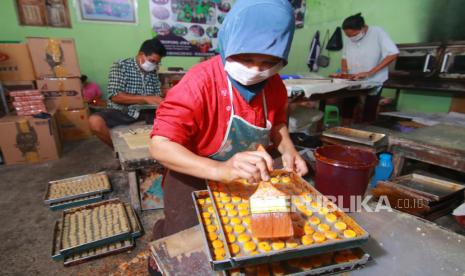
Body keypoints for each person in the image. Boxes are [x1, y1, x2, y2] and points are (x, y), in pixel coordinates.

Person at [147, 0, 308, 272]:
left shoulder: (275, 85)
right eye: (246, 58)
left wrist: (288, 149)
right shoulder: (199, 83)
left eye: (268, 62)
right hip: (192, 170)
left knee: (248, 230)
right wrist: (221, 169)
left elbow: (277, 123)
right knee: (186, 245)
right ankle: (161, 240)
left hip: (246, 169)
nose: (256, 70)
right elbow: (161, 146)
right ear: (229, 43)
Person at [89, 38, 166, 148]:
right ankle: (118, 152)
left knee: (174, 119)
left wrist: (163, 97)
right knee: (95, 122)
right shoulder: (121, 66)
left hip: (146, 112)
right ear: (141, 55)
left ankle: (161, 152)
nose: (154, 65)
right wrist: (145, 98)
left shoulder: (152, 71)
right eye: (152, 61)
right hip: (122, 112)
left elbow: (156, 95)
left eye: (157, 62)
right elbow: (115, 96)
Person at [332, 13, 399, 124]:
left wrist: (370, 72)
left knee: (369, 110)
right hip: (354, 79)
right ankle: (344, 131)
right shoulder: (350, 37)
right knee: (347, 106)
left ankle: (365, 134)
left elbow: (393, 53)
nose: (350, 38)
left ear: (363, 27)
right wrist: (344, 72)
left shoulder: (377, 33)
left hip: (374, 79)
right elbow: (344, 57)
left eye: (353, 35)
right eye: (348, 36)